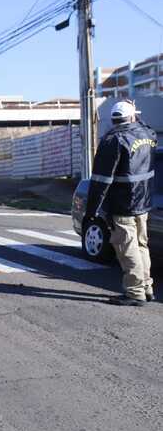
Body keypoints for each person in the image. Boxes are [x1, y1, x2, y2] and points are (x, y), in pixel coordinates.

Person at [86, 100, 157, 306]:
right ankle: (146, 287)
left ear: (114, 119)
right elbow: (144, 125)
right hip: (143, 201)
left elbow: (100, 181)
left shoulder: (113, 141)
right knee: (142, 245)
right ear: (133, 117)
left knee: (128, 248)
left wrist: (92, 210)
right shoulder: (147, 134)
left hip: (123, 204)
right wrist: (136, 113)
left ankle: (135, 293)